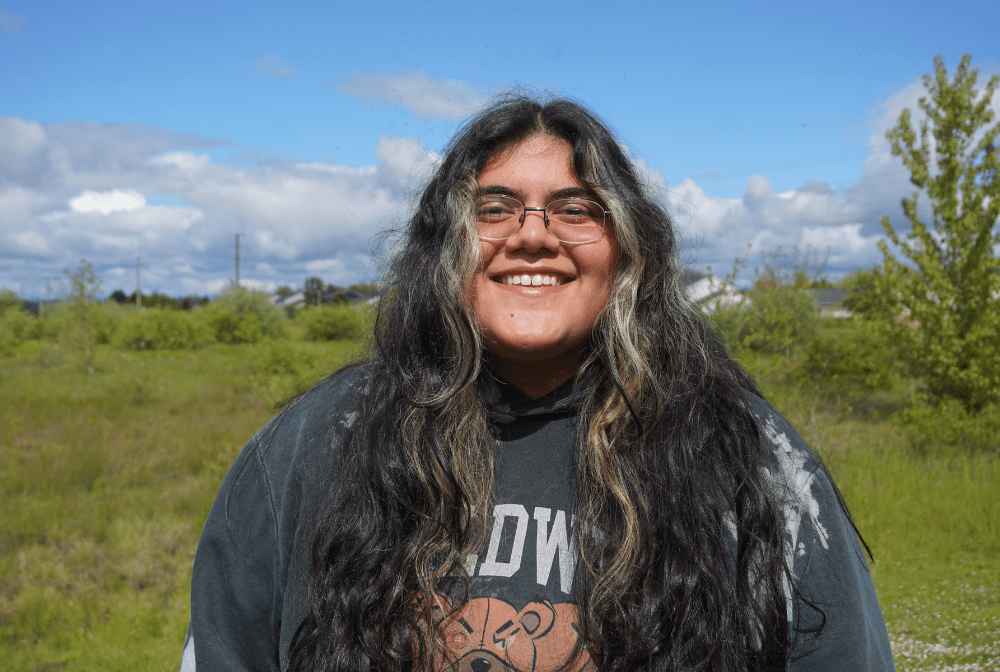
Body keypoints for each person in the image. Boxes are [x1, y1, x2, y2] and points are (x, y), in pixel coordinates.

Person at [181, 96, 895, 672]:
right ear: (443, 246)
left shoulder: (750, 460)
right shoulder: (310, 448)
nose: (531, 234)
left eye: (575, 209)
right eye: (493, 208)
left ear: (627, 249)